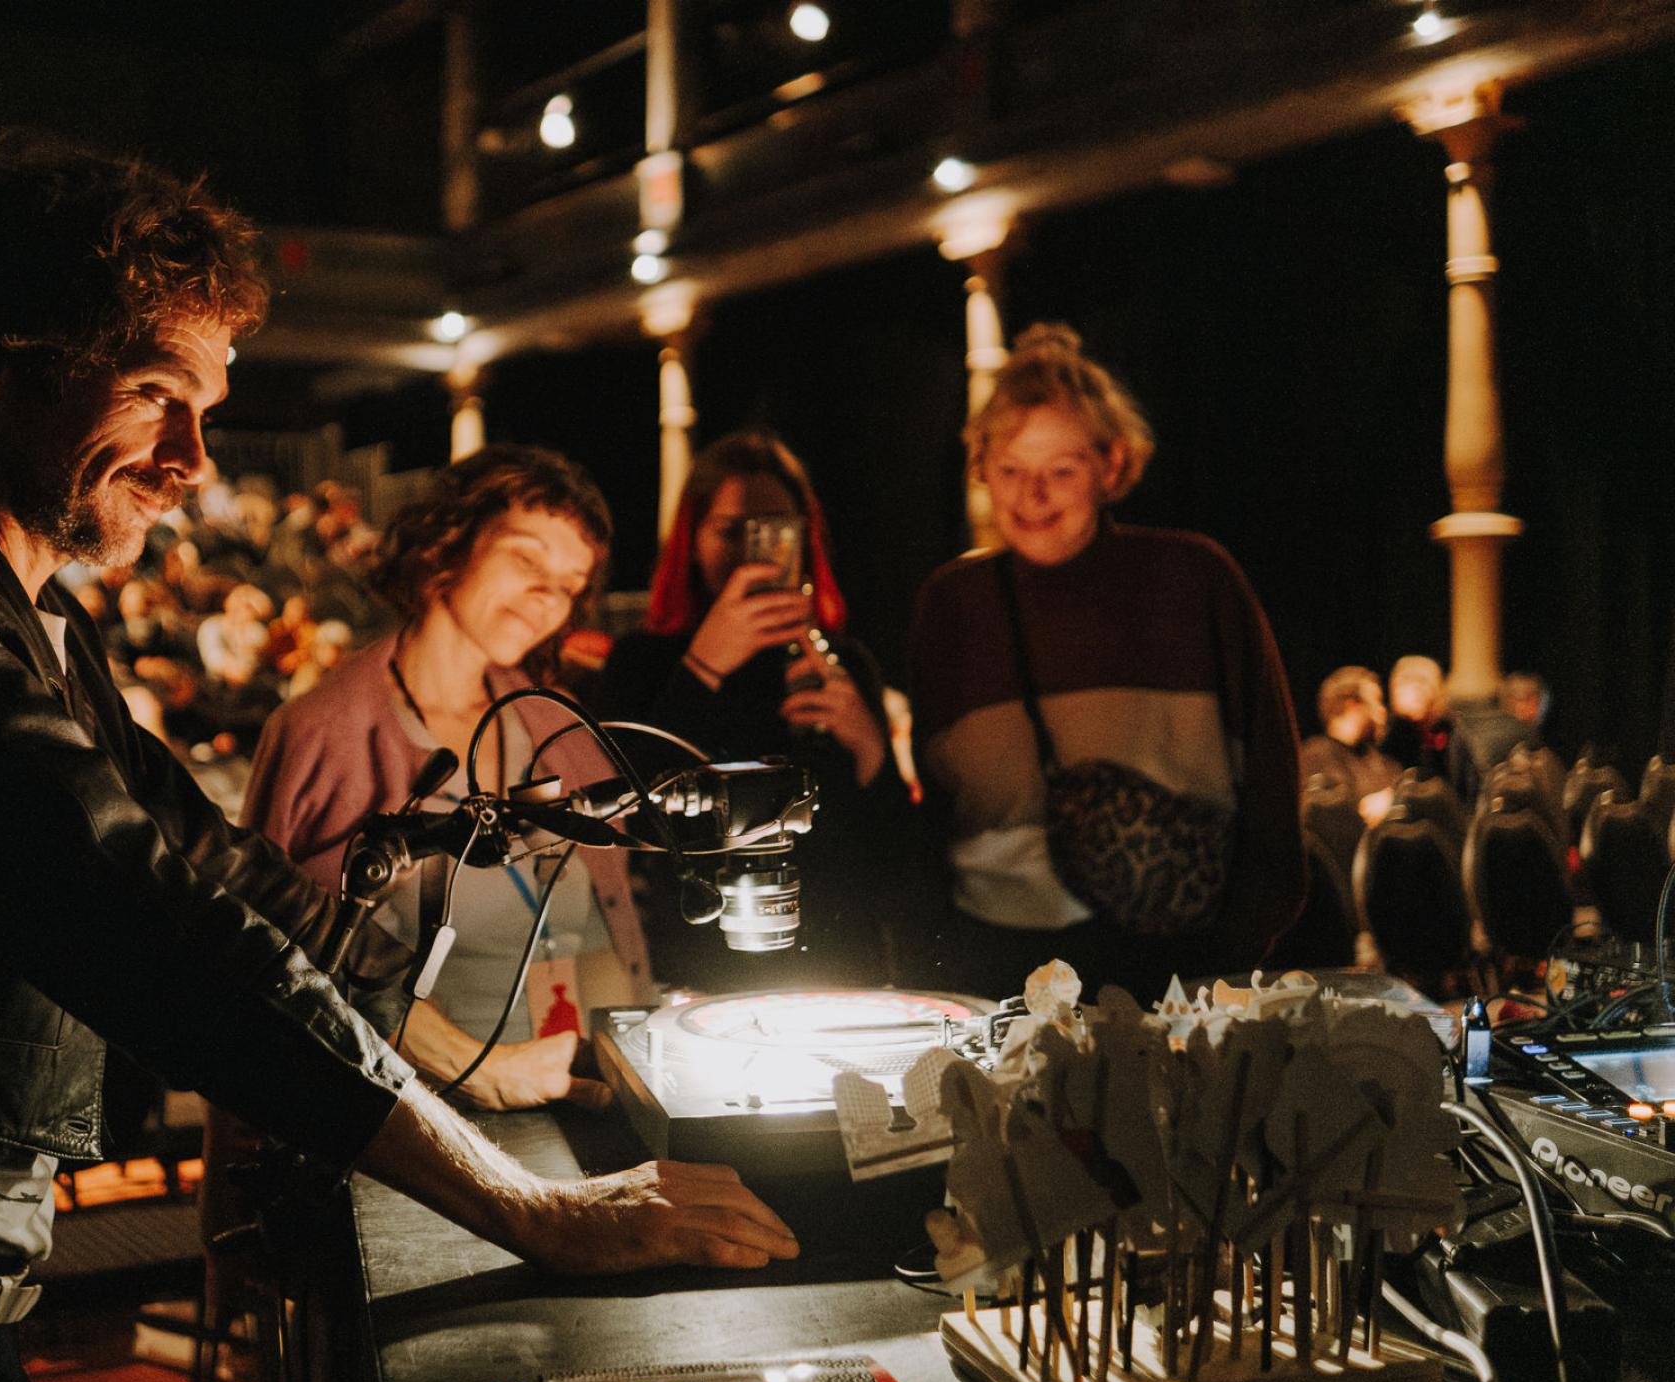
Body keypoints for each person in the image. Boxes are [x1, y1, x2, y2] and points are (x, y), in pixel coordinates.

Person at [0, 135, 793, 1382]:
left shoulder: (17, 607)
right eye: (159, 392)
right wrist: (527, 1207)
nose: (194, 456)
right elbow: (156, 928)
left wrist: (425, 1018)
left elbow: (206, 855)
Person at [905, 324, 1303, 1005]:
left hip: (1175, 962)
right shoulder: (953, 604)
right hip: (996, 962)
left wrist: (1231, 950)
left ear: (1111, 467)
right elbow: (936, 810)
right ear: (979, 469)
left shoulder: (1195, 579)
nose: (1033, 496)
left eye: (1061, 470)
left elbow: (1270, 771)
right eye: (1010, 471)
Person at [244, 445, 651, 1110]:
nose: (549, 597)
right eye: (526, 558)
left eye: (571, 584)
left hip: (573, 1103)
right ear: (444, 545)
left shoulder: (560, 732)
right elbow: (272, 964)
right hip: (411, 1133)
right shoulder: (322, 733)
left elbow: (611, 937)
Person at [599, 430, 910, 992]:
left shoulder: (839, 661)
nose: (754, 549)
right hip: (699, 969)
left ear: (805, 536)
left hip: (838, 968)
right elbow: (625, 816)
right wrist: (702, 668)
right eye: (730, 530)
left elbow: (891, 850)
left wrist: (869, 746)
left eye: (775, 528)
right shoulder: (643, 662)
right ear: (691, 540)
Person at [1299, 664, 1402, 825]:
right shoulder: (1316, 754)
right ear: (1352, 706)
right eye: (1377, 701)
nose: (1382, 712)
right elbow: (1330, 817)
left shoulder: (1382, 762)